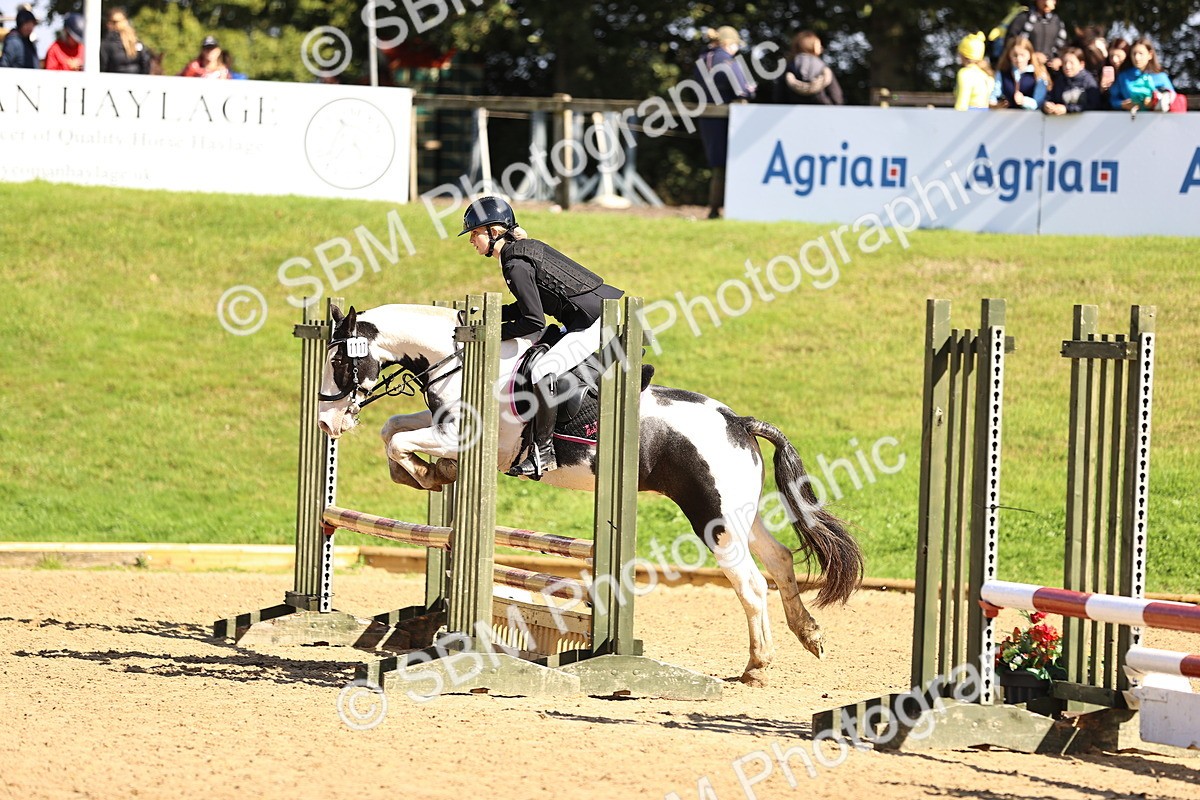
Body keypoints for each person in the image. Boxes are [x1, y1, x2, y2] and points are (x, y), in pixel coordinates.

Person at [457, 196, 624, 479]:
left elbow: (533, 321)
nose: (472, 240)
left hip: (597, 323)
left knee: (544, 369)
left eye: (475, 233)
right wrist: (490, 315)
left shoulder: (514, 263)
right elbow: (527, 308)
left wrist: (488, 334)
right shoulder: (517, 254)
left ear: (494, 231)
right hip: (591, 317)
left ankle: (543, 453)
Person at [693, 26, 755, 220]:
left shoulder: (701, 60)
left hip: (706, 116)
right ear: (728, 43)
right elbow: (745, 90)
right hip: (728, 118)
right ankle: (723, 209)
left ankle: (714, 208)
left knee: (717, 163)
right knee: (731, 164)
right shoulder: (727, 61)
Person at [1109, 38, 1176, 114]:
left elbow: (1172, 98)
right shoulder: (1124, 77)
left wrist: (1154, 102)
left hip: (1157, 122)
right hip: (1130, 122)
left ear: (1150, 55)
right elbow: (1113, 99)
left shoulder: (1161, 77)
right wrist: (1123, 104)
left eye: (1141, 53)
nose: (1137, 58)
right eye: (1134, 54)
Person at [775, 30, 843, 105]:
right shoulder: (824, 69)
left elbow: (779, 98)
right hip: (822, 112)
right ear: (814, 47)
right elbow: (836, 99)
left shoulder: (788, 67)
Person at [1005, 0, 1068, 71]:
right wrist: (1032, 55)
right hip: (1026, 70)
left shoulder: (1057, 22)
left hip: (1051, 72)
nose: (1046, 3)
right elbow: (1010, 42)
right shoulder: (1024, 18)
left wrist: (1059, 59)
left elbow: (1064, 46)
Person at [991, 37, 1050, 111]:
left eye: (1022, 55)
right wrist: (997, 105)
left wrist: (1024, 101)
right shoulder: (1003, 74)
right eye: (1015, 55)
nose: (1019, 59)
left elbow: (1038, 102)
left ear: (1029, 55)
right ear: (1009, 55)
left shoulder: (1038, 75)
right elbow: (994, 96)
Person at [1043, 47, 1100, 114]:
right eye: (1065, 63)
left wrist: (1067, 109)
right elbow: (1051, 98)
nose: (1067, 67)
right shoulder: (1060, 80)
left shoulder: (1089, 81)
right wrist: (1048, 106)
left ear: (1082, 64)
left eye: (1071, 63)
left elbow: (1093, 105)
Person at [99, 7, 150, 74]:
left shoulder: (107, 44)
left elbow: (103, 67)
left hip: (115, 82)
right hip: (136, 82)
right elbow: (145, 63)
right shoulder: (136, 41)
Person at [954, 32, 994, 110]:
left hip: (969, 116)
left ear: (963, 54)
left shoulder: (965, 73)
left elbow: (962, 103)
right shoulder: (987, 75)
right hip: (984, 117)